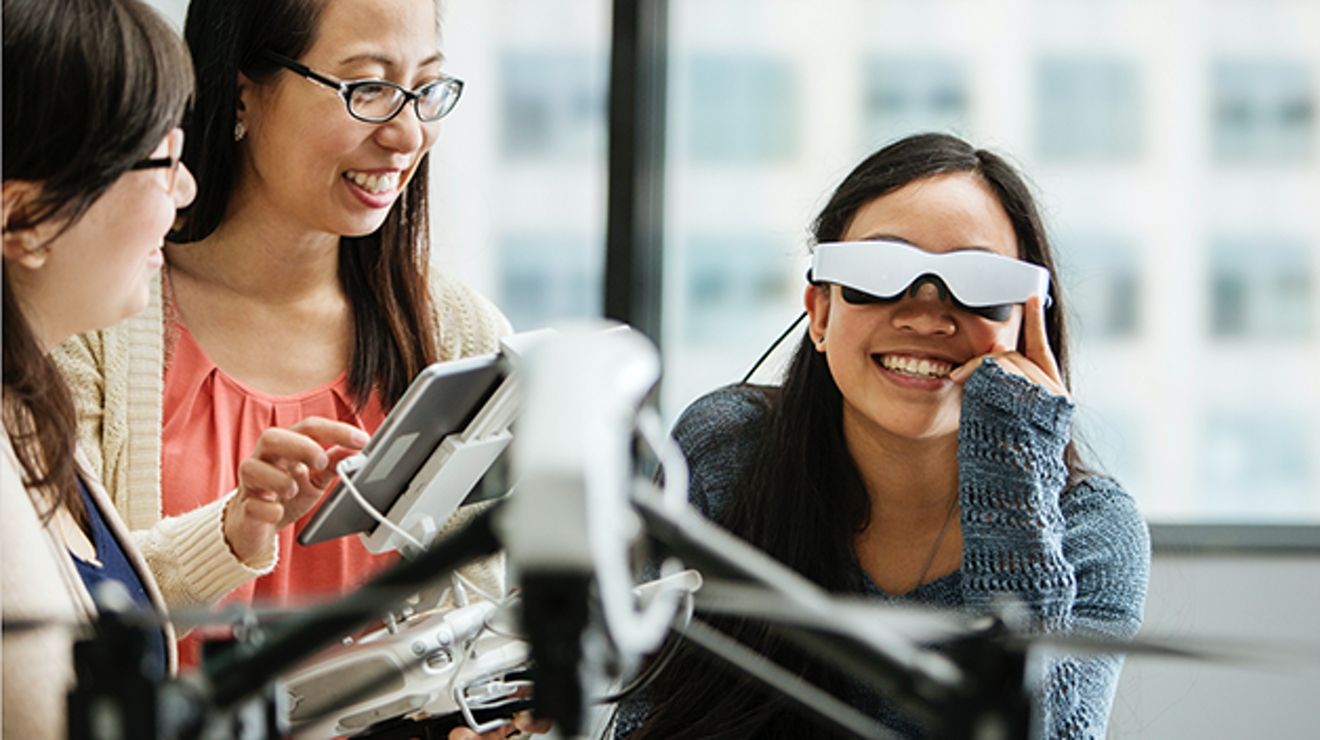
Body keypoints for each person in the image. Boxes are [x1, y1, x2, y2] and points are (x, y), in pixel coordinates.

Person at [616, 133, 1151, 739]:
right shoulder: (726, 452)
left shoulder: (1094, 531)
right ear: (819, 314)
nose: (926, 315)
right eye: (877, 272)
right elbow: (645, 719)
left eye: (980, 282)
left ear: (1031, 323)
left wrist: (1016, 475)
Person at [53, 0, 512, 666]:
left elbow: (485, 629)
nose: (407, 134)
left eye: (424, 89)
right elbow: (64, 605)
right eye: (370, 88)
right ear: (244, 92)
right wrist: (231, 531)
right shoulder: (97, 318)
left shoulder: (459, 333)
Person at [2, 0, 362, 736]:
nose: (188, 189)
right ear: (25, 219)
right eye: (161, 162)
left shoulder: (32, 406)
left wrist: (233, 529)